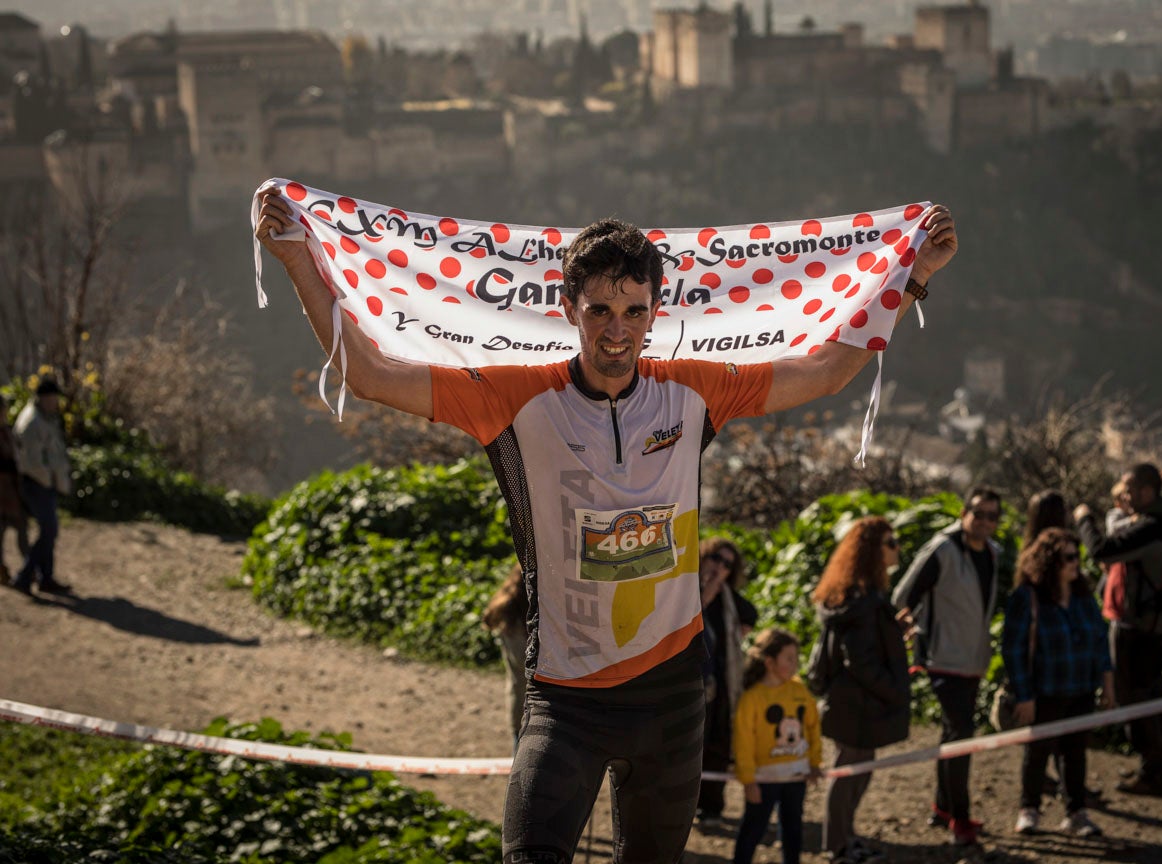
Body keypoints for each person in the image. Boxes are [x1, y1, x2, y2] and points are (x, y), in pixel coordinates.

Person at [255, 185, 958, 864]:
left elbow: (829, 370)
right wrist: (295, 259)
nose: (616, 330)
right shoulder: (514, 396)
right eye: (599, 311)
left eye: (632, 310)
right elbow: (370, 374)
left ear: (655, 312)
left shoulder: (694, 390)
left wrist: (914, 277)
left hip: (674, 695)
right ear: (569, 310)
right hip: (565, 702)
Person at [891, 487, 1001, 845]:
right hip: (942, 660)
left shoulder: (994, 555)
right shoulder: (942, 550)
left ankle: (942, 808)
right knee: (962, 737)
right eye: (978, 513)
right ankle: (961, 819)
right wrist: (917, 634)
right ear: (963, 512)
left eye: (991, 516)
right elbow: (903, 595)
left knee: (953, 736)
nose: (984, 521)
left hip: (972, 660)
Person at [1074, 463, 1162, 796]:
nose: (1124, 495)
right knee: (1152, 692)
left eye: (1129, 489)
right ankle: (1156, 764)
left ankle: (1153, 770)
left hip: (1138, 626)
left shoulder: (1151, 527)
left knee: (1133, 695)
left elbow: (1101, 550)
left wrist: (1082, 519)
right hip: (1156, 623)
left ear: (1147, 492)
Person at [1004, 528, 1113, 838]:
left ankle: (1076, 811)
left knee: (1075, 752)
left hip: (1081, 688)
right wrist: (1024, 695)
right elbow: (1013, 649)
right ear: (1050, 561)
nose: (1075, 563)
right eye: (1067, 557)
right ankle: (1030, 809)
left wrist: (1107, 684)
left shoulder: (1083, 598)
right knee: (1037, 751)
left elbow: (1100, 641)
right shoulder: (1027, 598)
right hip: (1044, 691)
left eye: (1077, 556)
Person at [812, 516, 910, 864]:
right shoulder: (862, 600)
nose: (897, 547)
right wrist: (894, 690)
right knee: (847, 773)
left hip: (856, 701)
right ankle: (838, 847)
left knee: (858, 772)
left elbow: (862, 647)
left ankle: (847, 840)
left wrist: (891, 632)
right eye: (890, 541)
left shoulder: (862, 597)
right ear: (873, 550)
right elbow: (860, 660)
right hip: (854, 703)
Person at [731, 627, 822, 864]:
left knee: (793, 828)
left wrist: (814, 763)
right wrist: (748, 779)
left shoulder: (799, 690)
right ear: (770, 662)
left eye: (796, 658)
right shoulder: (752, 699)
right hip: (764, 780)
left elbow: (813, 728)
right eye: (789, 658)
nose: (795, 664)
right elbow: (743, 741)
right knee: (753, 828)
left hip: (796, 778)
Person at [697, 535, 758, 828]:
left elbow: (751, 615)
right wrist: (704, 594)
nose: (719, 567)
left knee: (719, 744)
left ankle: (711, 808)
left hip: (721, 680)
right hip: (691, 682)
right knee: (694, 745)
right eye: (715, 558)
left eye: (726, 564)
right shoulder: (683, 588)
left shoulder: (729, 598)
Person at [8, 376, 72, 595]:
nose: (56, 402)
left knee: (49, 532)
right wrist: (49, 479)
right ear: (44, 398)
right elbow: (32, 463)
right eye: (53, 398)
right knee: (48, 531)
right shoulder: (32, 422)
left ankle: (46, 578)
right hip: (37, 484)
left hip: (44, 483)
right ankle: (25, 576)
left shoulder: (46, 418)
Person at [483, 562, 529, 751]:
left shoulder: (507, 615)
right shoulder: (514, 621)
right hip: (529, 710)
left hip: (521, 706)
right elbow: (526, 663)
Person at [0, 394, 30, 584]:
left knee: (22, 529)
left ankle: (29, 568)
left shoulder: (8, 431)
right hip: (2, 491)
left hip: (13, 490)